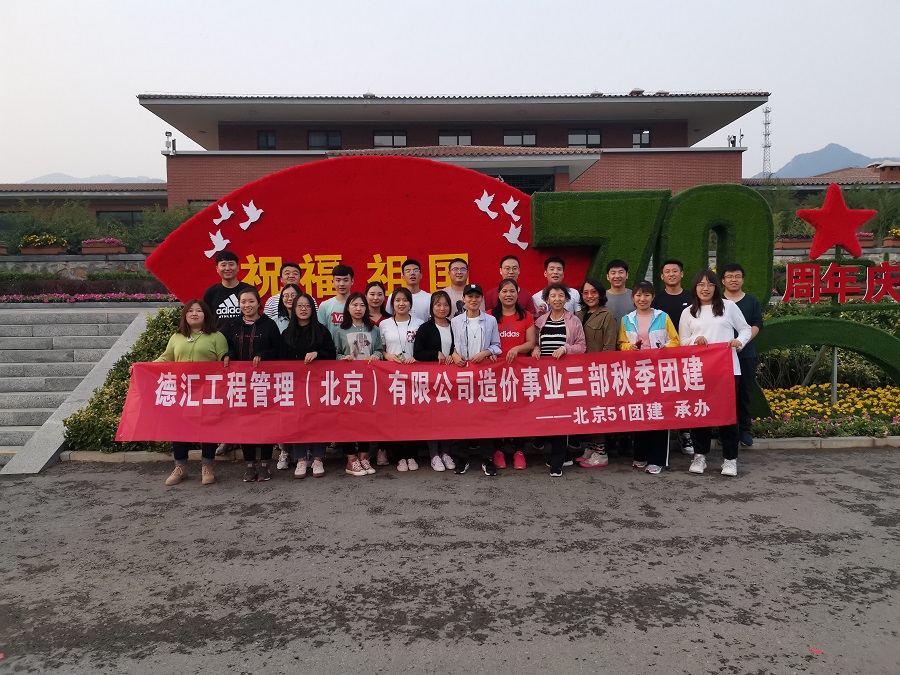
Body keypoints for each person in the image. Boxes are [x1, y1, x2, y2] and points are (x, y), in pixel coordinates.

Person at [678, 269, 752, 477]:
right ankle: (699, 456)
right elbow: (682, 341)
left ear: (716, 287)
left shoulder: (728, 307)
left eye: (709, 284)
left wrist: (739, 341)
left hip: (727, 369)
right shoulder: (688, 312)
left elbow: (745, 329)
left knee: (727, 414)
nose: (705, 288)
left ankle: (730, 459)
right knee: (701, 413)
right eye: (701, 284)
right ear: (695, 288)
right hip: (699, 371)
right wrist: (695, 340)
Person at [151, 300, 228, 487]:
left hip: (208, 390)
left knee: (207, 427)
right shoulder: (177, 337)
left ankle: (207, 466)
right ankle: (180, 467)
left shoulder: (217, 336)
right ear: (185, 316)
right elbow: (166, 358)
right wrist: (142, 367)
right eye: (190, 311)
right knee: (179, 427)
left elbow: (224, 362)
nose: (194, 314)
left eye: (199, 310)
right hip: (182, 390)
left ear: (205, 315)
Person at [617, 281, 679, 475]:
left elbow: (675, 341)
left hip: (659, 373)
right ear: (633, 297)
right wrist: (629, 347)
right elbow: (621, 343)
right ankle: (641, 455)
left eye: (646, 295)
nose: (642, 299)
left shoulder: (663, 317)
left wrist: (664, 349)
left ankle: (657, 459)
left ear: (653, 297)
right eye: (638, 295)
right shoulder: (626, 319)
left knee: (659, 413)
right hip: (637, 373)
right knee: (640, 413)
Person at [222, 287, 282, 483]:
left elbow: (279, 350)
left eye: (251, 301)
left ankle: (264, 463)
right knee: (244, 423)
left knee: (265, 423)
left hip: (264, 383)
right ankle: (249, 464)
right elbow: (226, 346)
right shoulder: (233, 325)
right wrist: (228, 355)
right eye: (243, 302)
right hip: (240, 383)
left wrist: (264, 355)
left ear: (258, 303)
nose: (247, 305)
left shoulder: (269, 324)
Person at [279, 292, 336, 478]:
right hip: (295, 386)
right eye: (300, 306)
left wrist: (318, 354)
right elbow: (280, 361)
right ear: (293, 309)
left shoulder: (322, 331)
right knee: (297, 422)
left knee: (319, 421)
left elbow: (332, 355)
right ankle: (301, 460)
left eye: (307, 306)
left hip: (318, 385)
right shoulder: (287, 334)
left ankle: (318, 458)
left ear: (312, 309)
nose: (303, 309)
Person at [532, 282, 587, 476]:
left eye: (561, 296)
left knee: (561, 417)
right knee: (548, 417)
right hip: (544, 378)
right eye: (553, 296)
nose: (557, 299)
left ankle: (557, 462)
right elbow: (534, 342)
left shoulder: (574, 321)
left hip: (565, 377)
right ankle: (563, 455)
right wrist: (535, 349)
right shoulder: (540, 321)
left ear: (566, 299)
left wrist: (566, 348)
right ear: (547, 299)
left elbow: (582, 346)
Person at [450, 284, 501, 476]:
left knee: (485, 418)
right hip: (462, 375)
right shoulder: (455, 321)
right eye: (469, 296)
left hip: (483, 375)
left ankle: (487, 458)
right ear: (463, 299)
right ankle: (462, 458)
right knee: (463, 417)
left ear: (481, 299)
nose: (473, 300)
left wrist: (486, 352)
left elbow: (497, 345)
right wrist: (454, 355)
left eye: (477, 296)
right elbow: (450, 345)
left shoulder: (490, 320)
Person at [333, 292, 383, 477]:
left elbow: (379, 349)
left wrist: (377, 355)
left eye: (362, 305)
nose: (358, 308)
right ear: (348, 308)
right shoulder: (340, 330)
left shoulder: (373, 329)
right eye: (354, 305)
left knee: (366, 419)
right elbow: (335, 353)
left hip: (368, 381)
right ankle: (351, 458)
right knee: (348, 419)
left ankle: (364, 455)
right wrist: (342, 358)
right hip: (348, 381)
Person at [651, 258, 695, 455]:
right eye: (667, 271)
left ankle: (685, 433)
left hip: (687, 355)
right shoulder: (656, 300)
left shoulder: (692, 298)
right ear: (662, 276)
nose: (671, 274)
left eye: (675, 271)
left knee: (685, 394)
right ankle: (661, 434)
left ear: (681, 274)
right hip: (661, 356)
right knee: (662, 395)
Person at [490, 278, 535, 470]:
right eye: (504, 291)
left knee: (519, 412)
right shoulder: (490, 316)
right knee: (497, 412)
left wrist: (517, 348)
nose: (508, 295)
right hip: (495, 374)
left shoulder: (526, 316)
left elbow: (531, 342)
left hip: (519, 373)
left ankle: (519, 451)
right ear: (498, 294)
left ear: (518, 294)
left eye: (512, 291)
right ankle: (498, 450)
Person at [380, 288, 425, 471]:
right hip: (392, 377)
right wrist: (387, 356)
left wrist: (418, 358)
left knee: (414, 416)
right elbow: (380, 349)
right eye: (397, 300)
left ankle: (412, 455)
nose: (401, 303)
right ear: (392, 304)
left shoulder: (420, 323)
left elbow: (423, 348)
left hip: (414, 377)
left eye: (405, 300)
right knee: (396, 416)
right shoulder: (384, 324)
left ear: (410, 304)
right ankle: (399, 456)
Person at [574, 277, 618, 468]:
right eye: (585, 292)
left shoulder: (607, 315)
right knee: (587, 411)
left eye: (593, 292)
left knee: (598, 410)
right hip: (580, 371)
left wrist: (602, 370)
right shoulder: (579, 315)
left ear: (600, 294)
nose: (590, 296)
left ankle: (601, 452)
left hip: (598, 372)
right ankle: (592, 447)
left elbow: (609, 346)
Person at [721, 263, 764, 448]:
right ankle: (724, 430)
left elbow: (757, 324)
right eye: (729, 277)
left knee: (744, 391)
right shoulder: (717, 302)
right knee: (723, 393)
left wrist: (742, 342)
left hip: (745, 354)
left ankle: (744, 429)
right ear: (723, 281)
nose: (734, 280)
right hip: (720, 357)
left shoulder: (751, 301)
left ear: (742, 279)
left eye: (737, 276)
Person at [414, 291, 457, 472]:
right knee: (433, 417)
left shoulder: (454, 325)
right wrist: (435, 354)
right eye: (438, 305)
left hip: (451, 379)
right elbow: (418, 353)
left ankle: (446, 453)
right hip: (431, 380)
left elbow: (459, 347)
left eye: (445, 305)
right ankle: (434, 455)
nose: (442, 308)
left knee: (448, 417)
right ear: (432, 307)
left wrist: (454, 354)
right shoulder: (425, 328)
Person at [202, 250, 253, 328]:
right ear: (217, 268)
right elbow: (206, 319)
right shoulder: (211, 292)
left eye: (231, 264)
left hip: (246, 334)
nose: (227, 268)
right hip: (218, 335)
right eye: (223, 265)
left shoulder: (249, 290)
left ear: (238, 267)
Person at [317, 264, 354, 335]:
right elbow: (320, 332)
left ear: (352, 281)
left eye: (346, 280)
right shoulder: (325, 306)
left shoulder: (359, 305)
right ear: (333, 281)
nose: (341, 284)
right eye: (338, 280)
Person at [604, 259, 635, 323]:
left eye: (621, 272)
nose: (617, 276)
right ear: (607, 276)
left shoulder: (635, 296)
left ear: (627, 275)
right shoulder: (601, 297)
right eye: (613, 273)